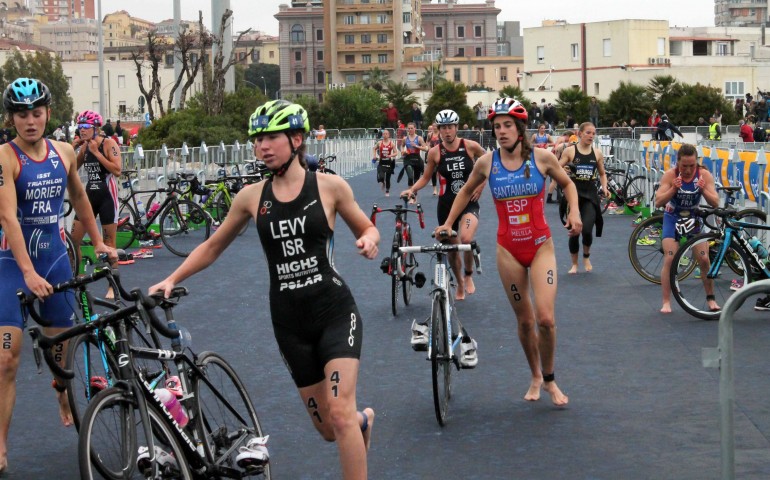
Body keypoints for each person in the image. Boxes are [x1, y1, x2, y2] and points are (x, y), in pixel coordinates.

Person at [150, 100, 378, 479]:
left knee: (338, 415)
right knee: (328, 429)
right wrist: (173, 278)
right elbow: (212, 246)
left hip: (335, 312)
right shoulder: (251, 196)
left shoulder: (330, 187)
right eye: (257, 139)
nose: (262, 147)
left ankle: (352, 425)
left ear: (297, 139)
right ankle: (362, 423)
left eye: (271, 137)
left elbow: (367, 227)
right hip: (289, 323)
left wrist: (369, 240)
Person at [434, 97, 581, 406]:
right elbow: (463, 192)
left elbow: (568, 185)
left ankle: (551, 378)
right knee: (526, 322)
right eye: (497, 127)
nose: (501, 132)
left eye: (507, 126)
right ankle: (535, 376)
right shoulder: (487, 162)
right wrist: (448, 223)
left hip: (540, 246)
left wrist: (574, 213)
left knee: (546, 319)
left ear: (520, 128)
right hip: (508, 250)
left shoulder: (542, 158)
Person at [0, 77, 113, 474]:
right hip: (12, 269)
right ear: (11, 117)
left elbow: (80, 198)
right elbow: (7, 217)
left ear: (48, 114)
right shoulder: (5, 157)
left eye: (36, 112)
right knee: (5, 360)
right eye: (21, 114)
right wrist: (27, 273)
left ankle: (62, 391)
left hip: (55, 261)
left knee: (60, 353)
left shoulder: (64, 151)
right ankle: (0, 447)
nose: (29, 121)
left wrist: (97, 242)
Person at [401, 109, 486, 301]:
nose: (447, 131)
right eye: (443, 128)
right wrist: (412, 190)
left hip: (469, 203)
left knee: (465, 239)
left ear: (456, 128)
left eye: (450, 127)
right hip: (446, 204)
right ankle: (460, 283)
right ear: (438, 130)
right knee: (452, 249)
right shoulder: (435, 152)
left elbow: (488, 162)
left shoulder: (470, 146)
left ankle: (468, 274)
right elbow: (425, 177)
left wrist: (481, 185)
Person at [655, 143, 720, 314]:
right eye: (684, 166)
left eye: (692, 166)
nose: (688, 170)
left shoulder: (703, 174)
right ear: (678, 163)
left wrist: (703, 189)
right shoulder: (670, 175)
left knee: (704, 259)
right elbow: (658, 201)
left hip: (693, 217)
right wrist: (673, 189)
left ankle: (711, 298)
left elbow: (715, 202)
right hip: (673, 217)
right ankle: (666, 301)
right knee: (670, 259)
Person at [69, 110, 122, 297]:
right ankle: (79, 277)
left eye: (85, 128)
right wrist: (72, 148)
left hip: (107, 196)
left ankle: (112, 286)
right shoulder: (84, 147)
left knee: (109, 244)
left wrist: (96, 154)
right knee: (73, 240)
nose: (82, 131)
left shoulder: (108, 143)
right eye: (79, 127)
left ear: (95, 128)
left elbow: (117, 170)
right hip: (90, 196)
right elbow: (71, 169)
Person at [558, 122, 608, 274]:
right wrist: (564, 171)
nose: (591, 136)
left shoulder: (597, 153)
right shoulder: (569, 151)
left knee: (586, 229)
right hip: (573, 194)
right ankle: (574, 264)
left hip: (590, 195)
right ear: (579, 133)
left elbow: (602, 173)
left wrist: (604, 187)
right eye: (588, 132)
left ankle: (586, 256)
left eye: (593, 133)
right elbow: (556, 167)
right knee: (575, 230)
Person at [400, 122, 429, 197]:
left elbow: (426, 148)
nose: (410, 130)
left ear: (415, 128)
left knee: (416, 180)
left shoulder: (419, 138)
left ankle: (414, 196)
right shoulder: (405, 138)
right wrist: (403, 151)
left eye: (411, 128)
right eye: (408, 128)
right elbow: (402, 146)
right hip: (408, 159)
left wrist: (417, 146)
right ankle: (410, 194)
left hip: (417, 159)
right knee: (410, 177)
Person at [372, 128, 398, 196]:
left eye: (386, 134)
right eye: (384, 134)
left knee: (388, 178)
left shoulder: (391, 143)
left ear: (389, 135)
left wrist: (390, 155)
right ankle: (383, 182)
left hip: (389, 163)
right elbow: (374, 148)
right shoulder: (379, 143)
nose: (385, 135)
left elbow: (396, 153)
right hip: (381, 162)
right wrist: (374, 156)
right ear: (382, 135)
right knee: (381, 177)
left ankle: (387, 190)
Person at [423, 123, 441, 196]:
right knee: (433, 173)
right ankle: (434, 189)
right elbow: (427, 142)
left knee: (440, 172)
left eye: (436, 126)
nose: (434, 127)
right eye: (433, 126)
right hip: (432, 154)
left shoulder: (441, 134)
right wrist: (429, 148)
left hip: (440, 155)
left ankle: (441, 188)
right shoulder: (430, 135)